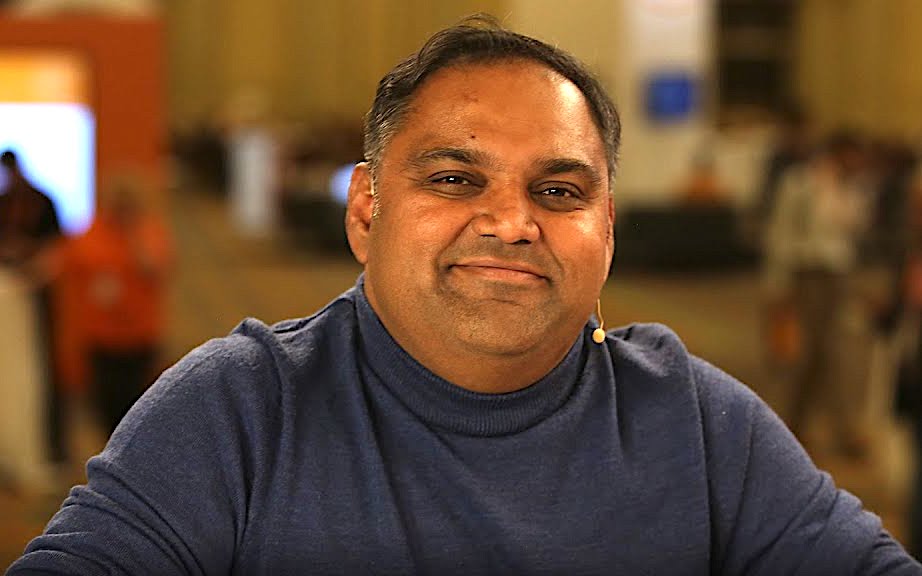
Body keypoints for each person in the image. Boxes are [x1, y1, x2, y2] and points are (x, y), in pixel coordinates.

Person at [8, 17, 921, 575]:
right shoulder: (236, 411)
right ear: (365, 210)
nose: (512, 222)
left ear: (607, 232)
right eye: (454, 179)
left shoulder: (698, 423)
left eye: (558, 190)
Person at [762, 131, 875, 455]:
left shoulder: (853, 187)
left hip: (838, 275)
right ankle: (791, 424)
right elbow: (781, 231)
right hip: (806, 273)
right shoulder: (800, 182)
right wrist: (778, 282)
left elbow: (856, 226)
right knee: (801, 354)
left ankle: (844, 428)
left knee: (838, 353)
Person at [51, 171, 173, 436]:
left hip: (139, 338)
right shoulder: (90, 234)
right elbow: (66, 267)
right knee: (107, 410)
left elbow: (154, 268)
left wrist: (132, 236)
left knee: (141, 411)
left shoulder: (149, 232)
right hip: (102, 339)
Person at [0, 149, 67, 467]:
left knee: (43, 370)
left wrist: (32, 267)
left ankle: (50, 446)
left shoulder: (42, 202)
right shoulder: (4, 202)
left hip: (37, 296)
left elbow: (57, 248)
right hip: (7, 299)